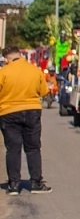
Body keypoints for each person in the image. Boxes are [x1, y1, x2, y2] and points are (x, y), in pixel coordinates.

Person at [0, 45, 52, 194]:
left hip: (8, 113)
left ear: (7, 58)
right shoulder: (35, 71)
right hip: (32, 112)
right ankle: (36, 183)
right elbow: (43, 91)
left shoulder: (3, 72)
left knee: (13, 149)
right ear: (19, 55)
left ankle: (14, 185)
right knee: (33, 148)